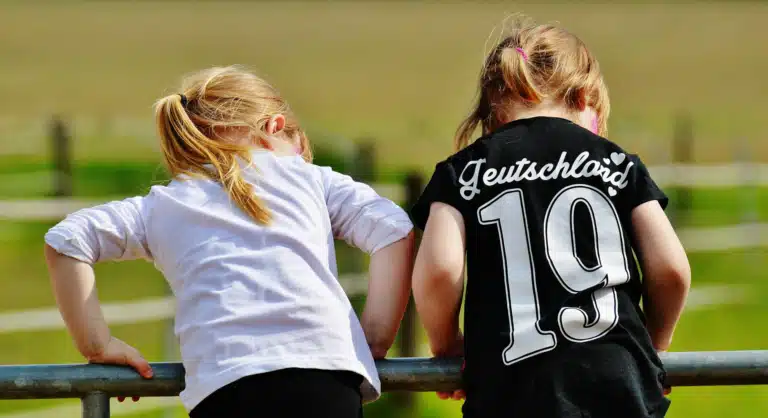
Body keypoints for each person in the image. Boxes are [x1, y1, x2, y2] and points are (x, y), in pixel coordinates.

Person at [43, 66, 415, 418]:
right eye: (300, 150)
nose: (301, 160)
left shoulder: (162, 204)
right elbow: (393, 228)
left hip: (223, 383)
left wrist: (98, 345)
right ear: (274, 127)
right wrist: (374, 337)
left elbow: (66, 240)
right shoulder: (312, 180)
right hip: (324, 375)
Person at [410, 17, 691, 418]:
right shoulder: (617, 164)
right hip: (618, 385)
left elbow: (439, 270)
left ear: (493, 112)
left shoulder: (464, 171)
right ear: (584, 96)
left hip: (511, 393)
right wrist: (653, 348)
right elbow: (672, 269)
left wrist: (445, 344)